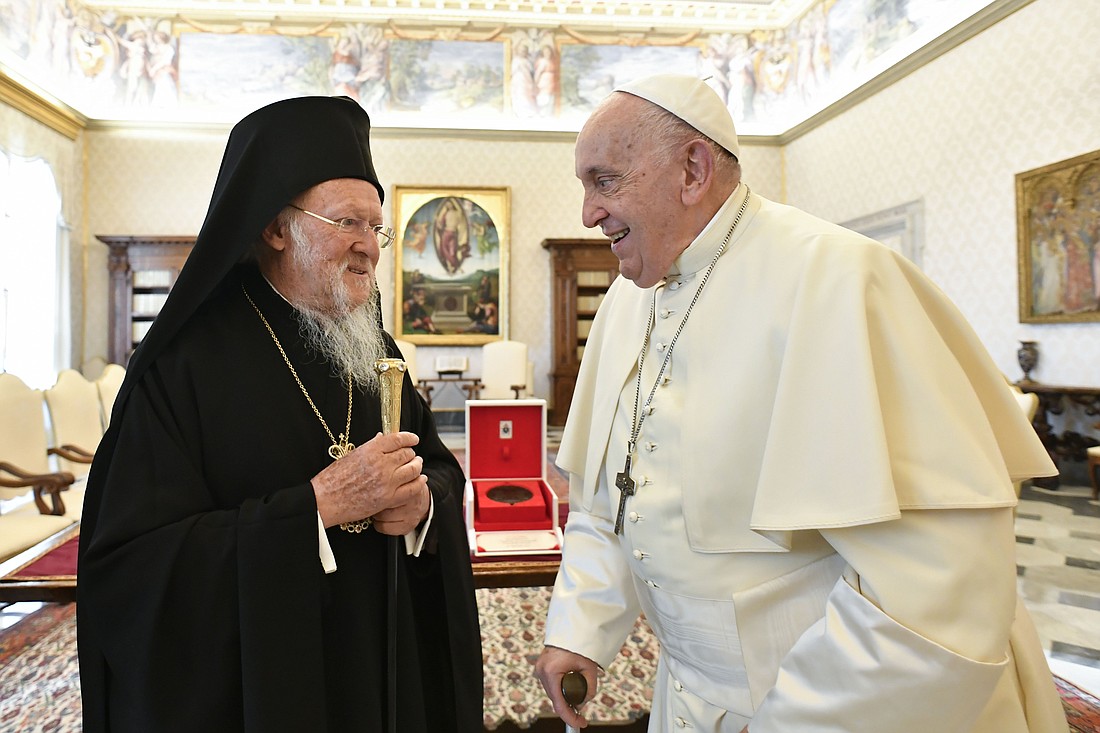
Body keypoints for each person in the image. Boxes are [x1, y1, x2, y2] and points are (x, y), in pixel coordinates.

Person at [534, 73, 1067, 733]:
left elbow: (934, 591)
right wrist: (580, 626)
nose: (587, 211)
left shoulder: (838, 280)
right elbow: (609, 497)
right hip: (690, 697)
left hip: (828, 707)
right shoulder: (625, 301)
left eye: (604, 180)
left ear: (693, 169)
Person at [77, 96, 482, 733]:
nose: (369, 248)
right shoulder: (185, 364)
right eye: (347, 222)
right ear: (274, 227)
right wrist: (312, 511)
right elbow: (134, 565)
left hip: (375, 666)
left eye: (376, 228)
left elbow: (434, 463)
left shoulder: (370, 343)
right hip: (260, 692)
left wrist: (423, 503)